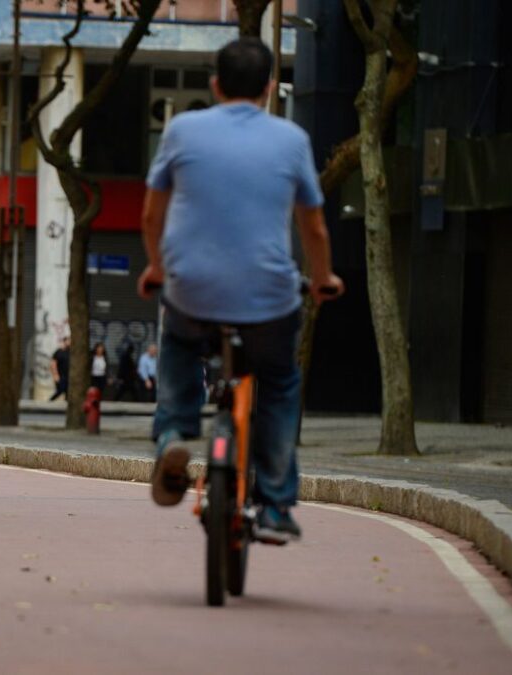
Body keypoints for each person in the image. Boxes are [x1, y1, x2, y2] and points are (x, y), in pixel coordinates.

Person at [137, 38, 344, 544]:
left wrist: (158, 266)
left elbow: (151, 213)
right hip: (269, 298)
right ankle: (274, 505)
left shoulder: (182, 129)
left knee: (181, 346)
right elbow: (314, 228)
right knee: (277, 382)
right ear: (271, 88)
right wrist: (323, 279)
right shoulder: (291, 139)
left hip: (192, 290)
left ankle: (175, 433)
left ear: (214, 85)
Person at [49, 336, 71, 401]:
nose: (69, 342)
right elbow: (53, 364)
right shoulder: (59, 352)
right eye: (68, 341)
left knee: (68, 392)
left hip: (69, 376)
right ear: (64, 342)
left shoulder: (72, 352)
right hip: (61, 376)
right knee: (60, 390)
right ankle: (50, 401)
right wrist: (55, 375)